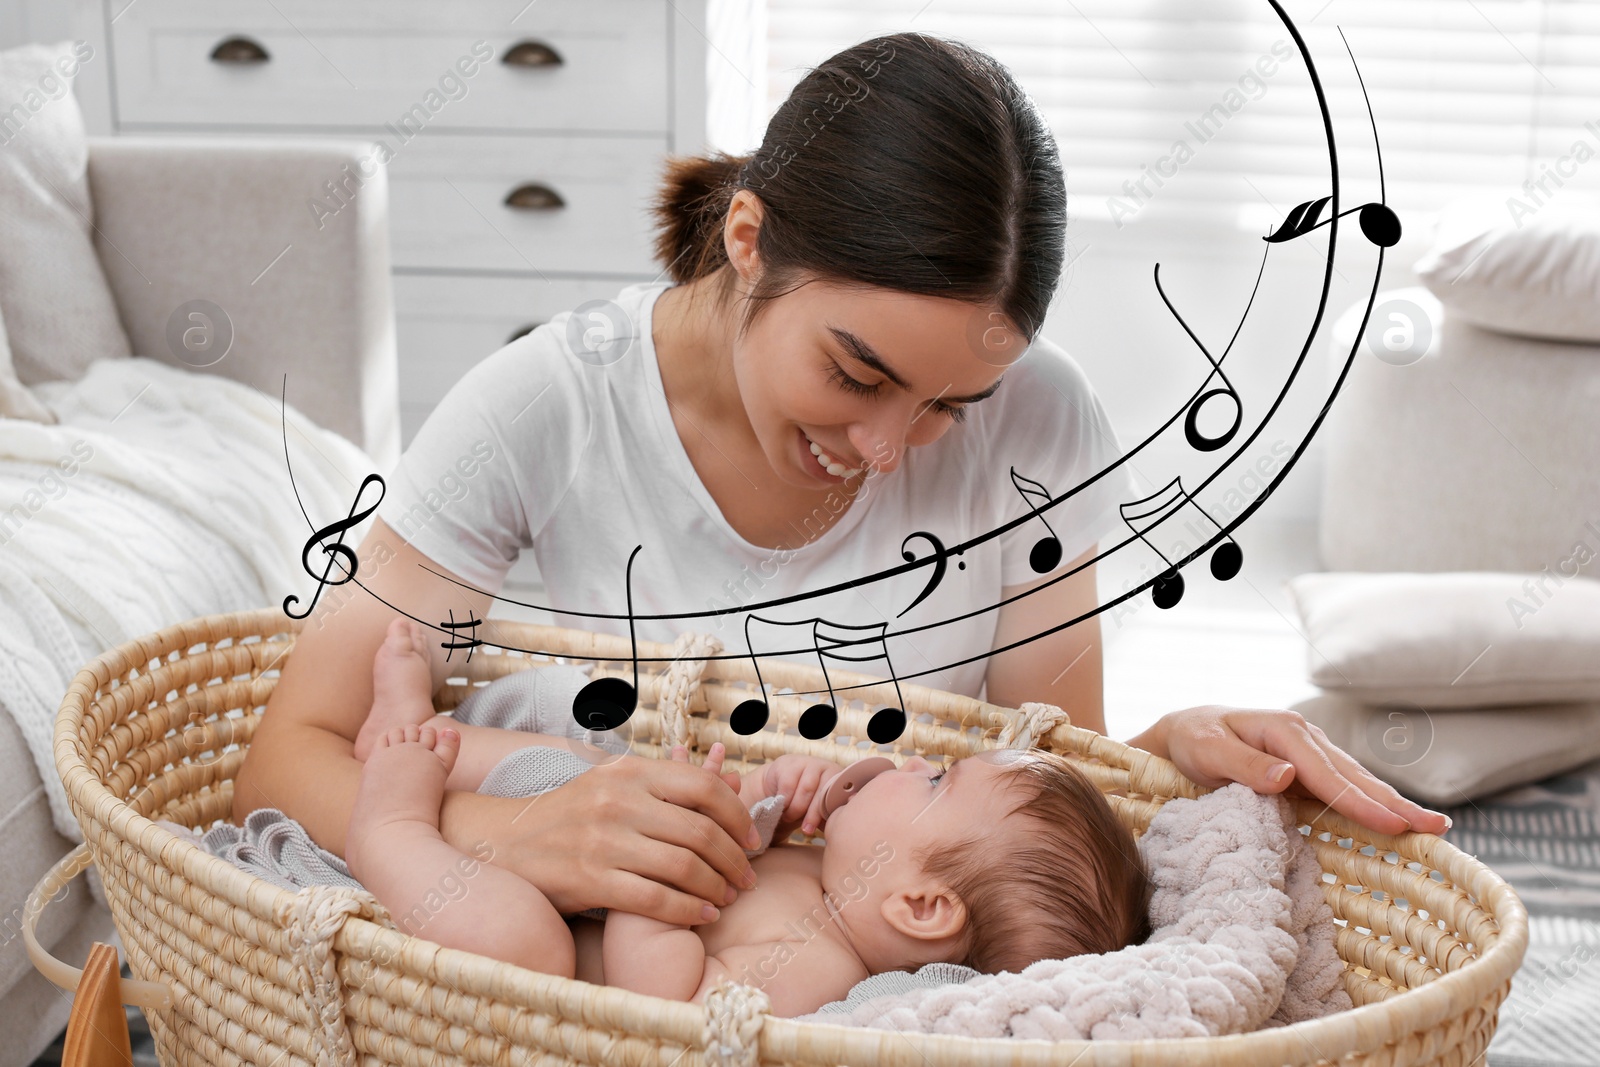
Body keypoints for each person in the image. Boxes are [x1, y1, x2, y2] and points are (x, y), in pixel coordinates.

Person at [234, 30, 1448, 932]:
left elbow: (1020, 787)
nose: (887, 447)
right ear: (748, 242)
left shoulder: (1038, 419)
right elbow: (288, 756)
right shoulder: (543, 412)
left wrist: (1169, 751)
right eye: (855, 371)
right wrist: (518, 832)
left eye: (944, 407)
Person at [347, 619, 1153, 1017]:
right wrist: (771, 805)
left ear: (921, 904)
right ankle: (413, 735)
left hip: (554, 933)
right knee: (603, 767)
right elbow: (749, 852)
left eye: (937, 780)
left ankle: (388, 824)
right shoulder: (836, 875)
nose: (911, 762)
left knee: (527, 943)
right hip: (559, 841)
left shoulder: (820, 972)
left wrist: (653, 879)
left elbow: (671, 1000)